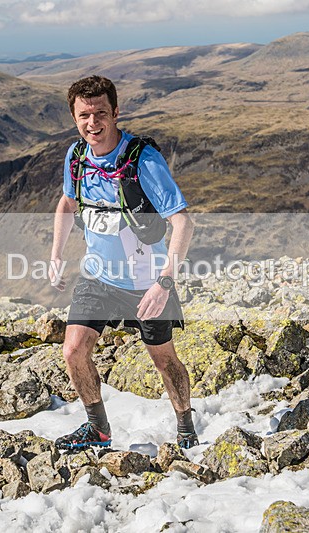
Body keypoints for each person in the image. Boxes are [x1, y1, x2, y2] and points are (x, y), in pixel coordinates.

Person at [49, 75, 198, 450]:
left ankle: (186, 428)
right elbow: (67, 203)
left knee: (164, 361)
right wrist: (56, 254)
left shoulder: (142, 160)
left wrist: (164, 283)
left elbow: (183, 223)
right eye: (84, 115)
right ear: (74, 118)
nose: (92, 122)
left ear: (116, 112)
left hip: (147, 283)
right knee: (73, 351)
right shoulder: (77, 157)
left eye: (100, 113)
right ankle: (98, 429)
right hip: (98, 277)